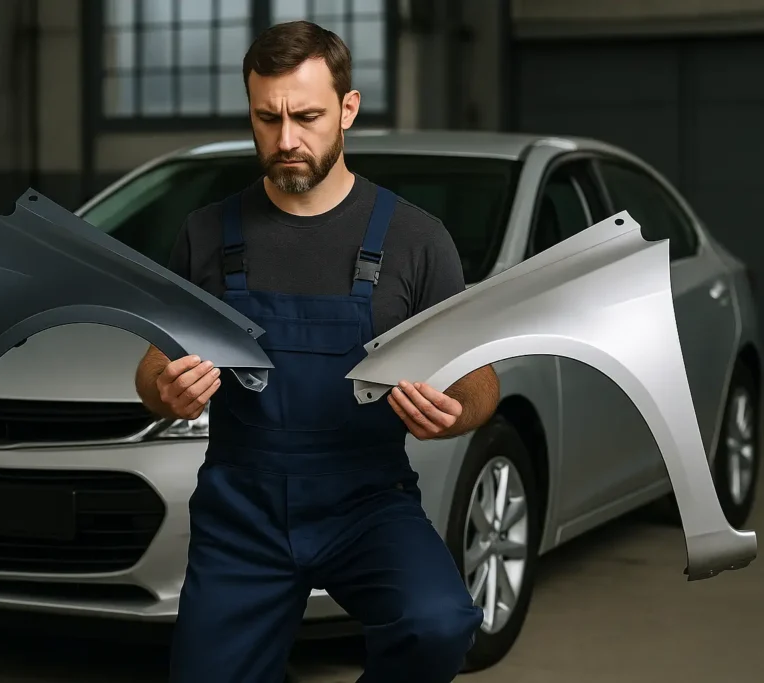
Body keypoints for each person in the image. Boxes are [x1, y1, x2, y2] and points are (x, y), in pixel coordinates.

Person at [134, 20, 501, 683]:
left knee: (440, 622)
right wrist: (167, 388)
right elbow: (152, 368)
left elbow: (482, 380)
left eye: (306, 116)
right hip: (242, 508)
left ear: (348, 109)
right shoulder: (208, 233)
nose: (285, 140)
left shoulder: (417, 239)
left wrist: (456, 409)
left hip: (367, 501)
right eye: (266, 118)